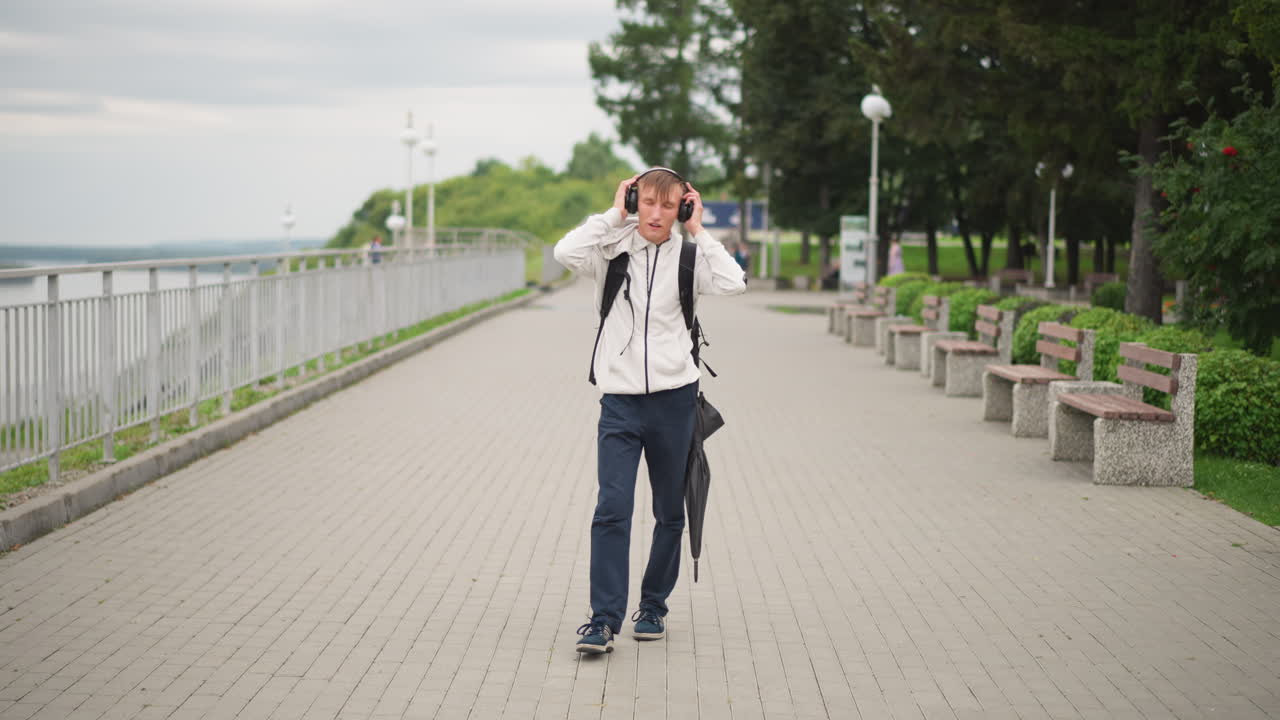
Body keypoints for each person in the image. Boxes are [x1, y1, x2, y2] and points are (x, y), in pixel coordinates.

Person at [554, 168, 747, 654]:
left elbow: (734, 281)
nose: (656, 215)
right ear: (636, 201)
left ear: (681, 206)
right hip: (619, 403)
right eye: (647, 203)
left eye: (669, 205)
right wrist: (613, 214)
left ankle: (654, 606)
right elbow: (565, 253)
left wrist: (699, 230)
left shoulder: (690, 255)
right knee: (611, 510)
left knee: (669, 513)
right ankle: (603, 619)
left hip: (674, 401)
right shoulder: (612, 250)